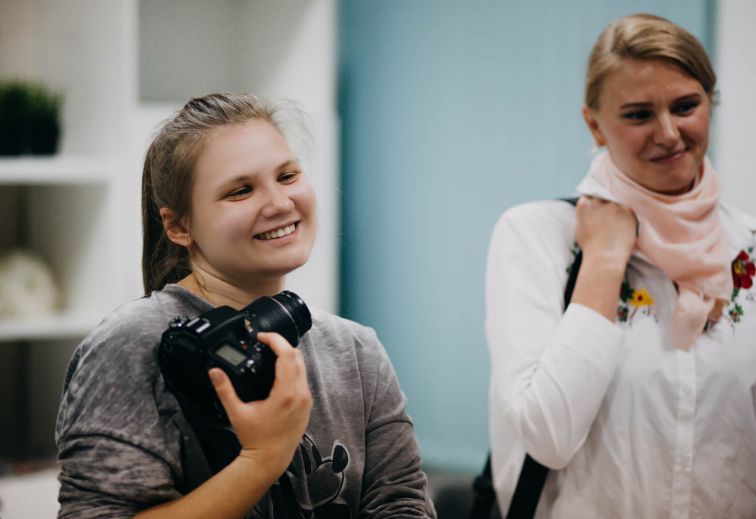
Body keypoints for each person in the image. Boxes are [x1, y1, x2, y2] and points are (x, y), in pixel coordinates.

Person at [55, 92, 437, 518]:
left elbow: (403, 504)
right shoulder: (129, 344)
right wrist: (261, 460)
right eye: (240, 191)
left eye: (288, 176)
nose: (280, 203)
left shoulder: (357, 351)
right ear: (178, 226)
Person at [485, 13, 756, 518]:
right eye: (638, 115)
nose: (669, 133)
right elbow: (548, 437)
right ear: (594, 124)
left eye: (686, 106)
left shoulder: (747, 249)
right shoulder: (536, 236)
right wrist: (605, 260)